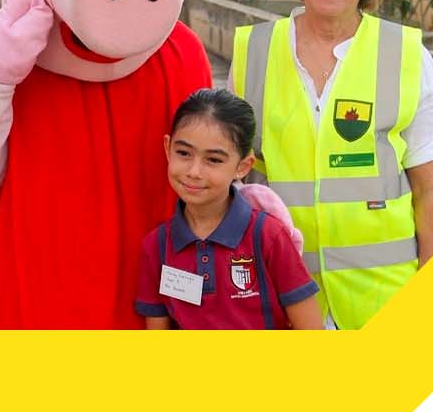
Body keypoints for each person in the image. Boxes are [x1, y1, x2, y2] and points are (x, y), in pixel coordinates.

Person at [229, 0, 433, 329]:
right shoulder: (252, 52)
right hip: (281, 297)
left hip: (385, 302)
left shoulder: (405, 54)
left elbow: (432, 191)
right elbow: (229, 177)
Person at [135, 89, 325, 329]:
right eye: (183, 153)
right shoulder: (157, 246)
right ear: (167, 148)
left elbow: (310, 328)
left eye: (213, 160)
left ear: (243, 166)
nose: (194, 171)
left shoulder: (268, 236)